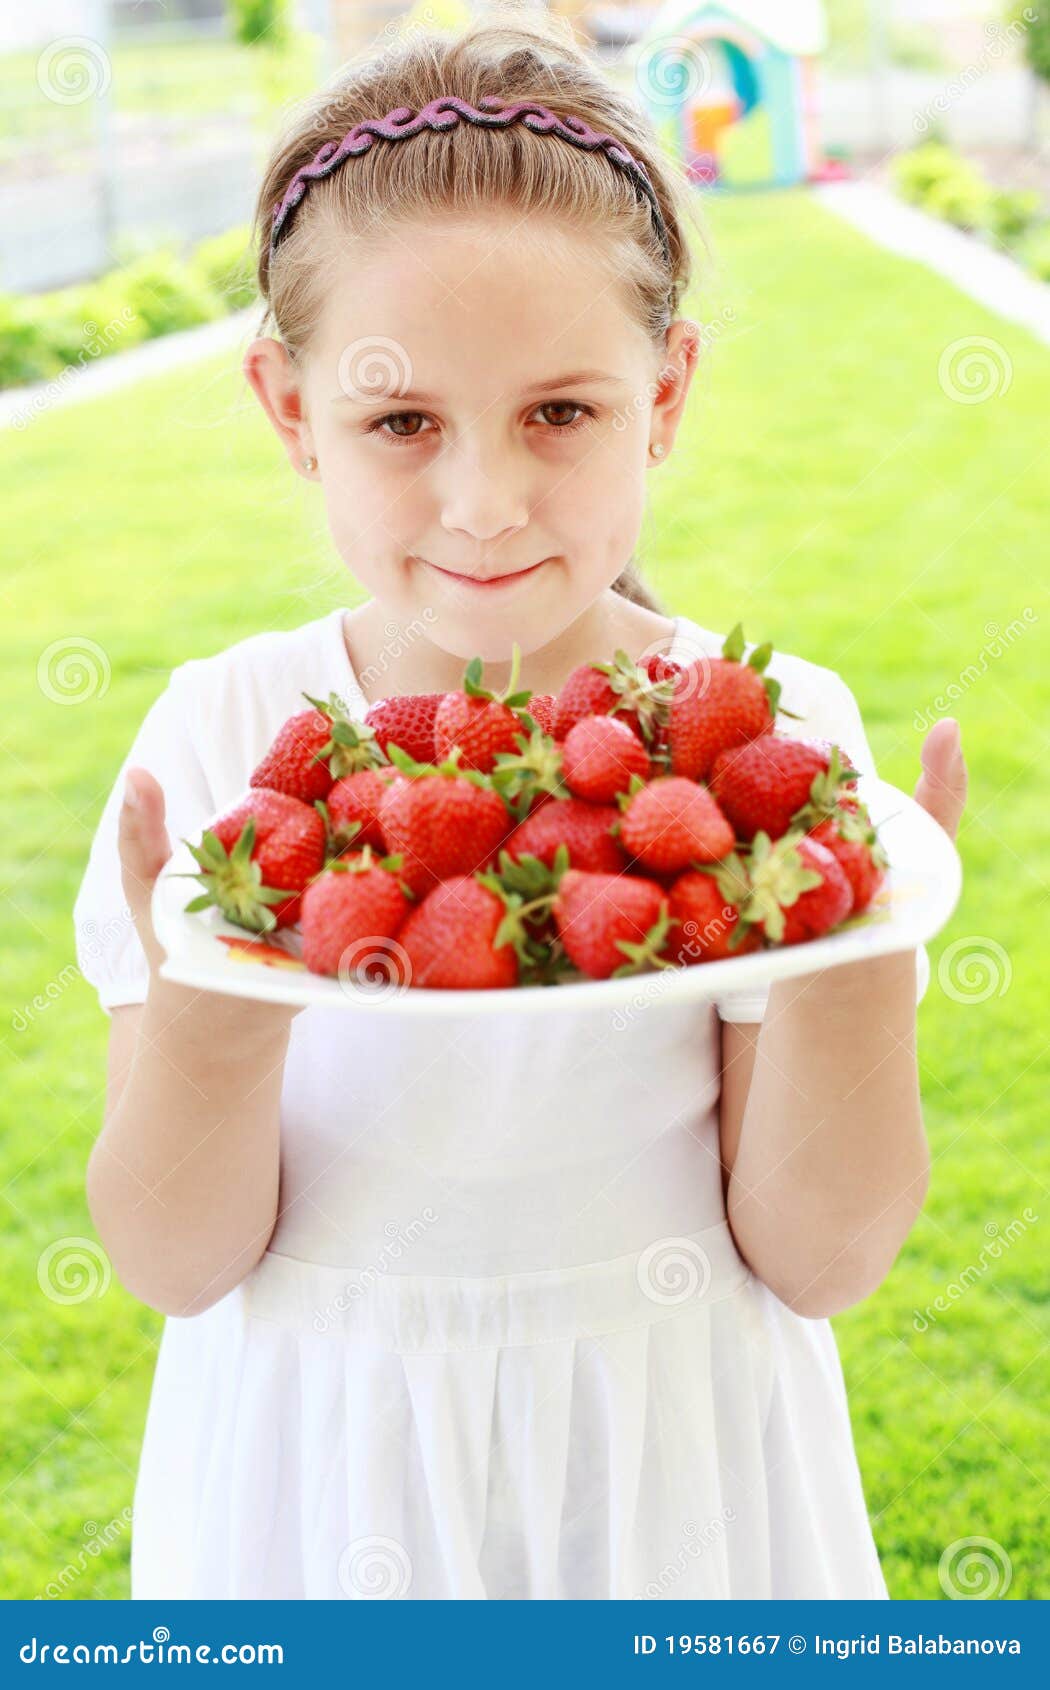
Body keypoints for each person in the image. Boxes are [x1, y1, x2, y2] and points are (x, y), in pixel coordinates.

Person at [73, 8, 967, 1600]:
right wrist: (207, 1007)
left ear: (665, 394)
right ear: (293, 411)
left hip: (675, 1477)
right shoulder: (223, 739)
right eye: (401, 419)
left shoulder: (761, 736)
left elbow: (821, 1255)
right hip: (317, 1469)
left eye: (560, 411)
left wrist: (853, 961)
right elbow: (171, 1255)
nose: (483, 502)